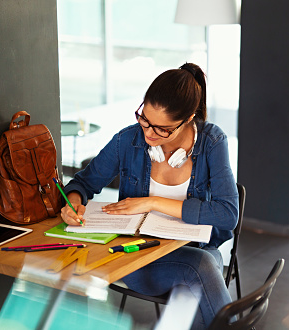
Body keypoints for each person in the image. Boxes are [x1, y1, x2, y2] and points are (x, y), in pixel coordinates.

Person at [60, 62, 239, 328]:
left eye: (161, 129)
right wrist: (72, 203)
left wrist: (153, 202)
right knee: (201, 270)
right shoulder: (127, 141)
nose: (148, 133)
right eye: (144, 119)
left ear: (188, 118)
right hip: (138, 255)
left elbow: (228, 215)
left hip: (195, 250)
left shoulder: (211, 141)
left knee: (198, 273)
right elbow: (82, 183)